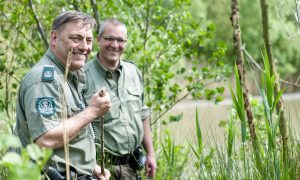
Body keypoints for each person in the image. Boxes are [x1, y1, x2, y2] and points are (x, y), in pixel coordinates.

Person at [14, 11, 111, 180]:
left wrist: (89, 167)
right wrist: (92, 111)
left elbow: (67, 139)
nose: (84, 47)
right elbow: (45, 140)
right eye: (76, 38)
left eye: (88, 40)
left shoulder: (67, 75)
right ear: (54, 38)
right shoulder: (45, 79)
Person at [83, 18, 157, 179]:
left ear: (126, 42)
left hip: (135, 166)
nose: (115, 45)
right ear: (98, 40)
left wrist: (150, 154)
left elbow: (143, 115)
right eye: (109, 38)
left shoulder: (133, 72)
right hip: (102, 169)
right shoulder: (82, 76)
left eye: (120, 40)